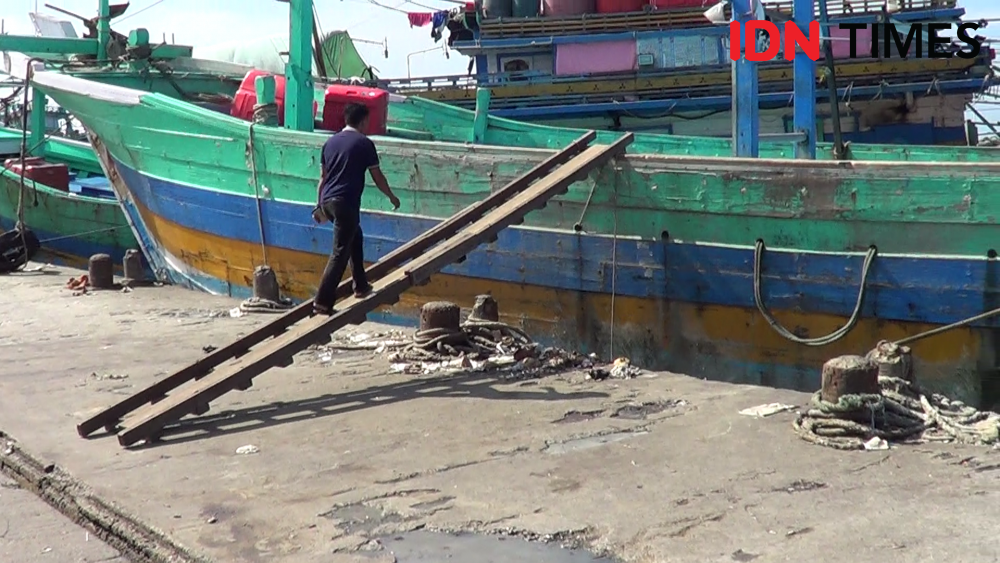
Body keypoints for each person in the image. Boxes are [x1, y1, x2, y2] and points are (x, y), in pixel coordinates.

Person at [312, 103, 400, 315]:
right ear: (362, 121)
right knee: (339, 252)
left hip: (328, 201)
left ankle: (360, 285)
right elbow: (377, 177)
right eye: (367, 122)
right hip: (345, 203)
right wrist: (391, 196)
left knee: (355, 236)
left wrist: (319, 206)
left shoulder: (330, 143)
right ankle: (322, 301)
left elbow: (322, 178)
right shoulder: (364, 143)